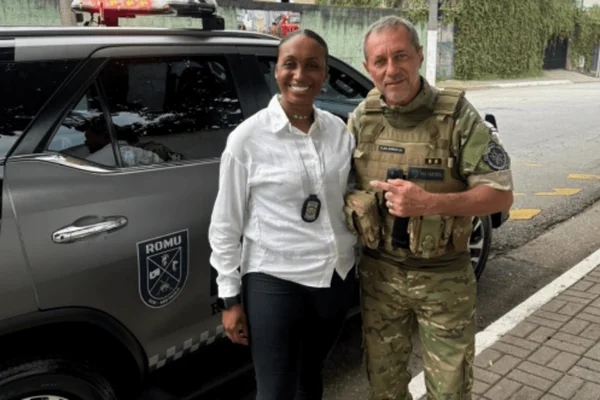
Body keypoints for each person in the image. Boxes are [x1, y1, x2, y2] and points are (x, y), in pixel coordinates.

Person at [344, 16, 514, 400]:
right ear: (368, 68)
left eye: (401, 56)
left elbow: (501, 195)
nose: (391, 69)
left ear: (419, 56)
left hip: (444, 280)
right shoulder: (362, 119)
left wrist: (431, 203)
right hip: (380, 278)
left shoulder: (458, 116)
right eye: (380, 61)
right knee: (384, 390)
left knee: (450, 392)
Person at [208, 29, 357, 400]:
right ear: (276, 71)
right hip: (275, 279)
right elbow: (225, 225)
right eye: (290, 64)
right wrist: (229, 299)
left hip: (334, 276)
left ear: (324, 73)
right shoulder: (247, 139)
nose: (300, 75)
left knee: (310, 378)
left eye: (312, 65)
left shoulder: (338, 131)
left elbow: (349, 199)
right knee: (275, 391)